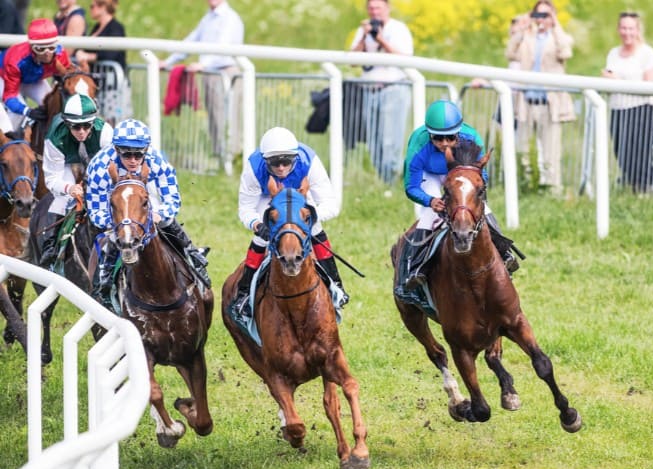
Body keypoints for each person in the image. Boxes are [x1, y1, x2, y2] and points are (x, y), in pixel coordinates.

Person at [396, 100, 520, 294]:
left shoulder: (471, 138)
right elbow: (411, 187)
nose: (445, 143)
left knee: (485, 210)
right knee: (430, 216)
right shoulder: (418, 145)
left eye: (450, 138)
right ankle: (415, 269)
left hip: (461, 174)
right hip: (431, 176)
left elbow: (481, 176)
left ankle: (504, 254)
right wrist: (430, 201)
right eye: (438, 138)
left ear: (459, 133)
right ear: (429, 134)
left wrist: (472, 196)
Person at [85, 118, 211, 309]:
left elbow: (172, 200)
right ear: (117, 150)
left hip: (147, 194)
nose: (133, 160)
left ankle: (192, 255)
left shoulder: (156, 161)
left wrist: (160, 214)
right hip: (116, 203)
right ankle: (105, 277)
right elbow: (96, 211)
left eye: (138, 154)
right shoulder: (100, 169)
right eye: (127, 155)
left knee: (167, 222)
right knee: (114, 235)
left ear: (146, 151)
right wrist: (120, 223)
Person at [228, 126, 347, 322]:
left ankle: (337, 286)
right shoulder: (253, 167)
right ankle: (244, 294)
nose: (281, 168)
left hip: (299, 200)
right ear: (266, 160)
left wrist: (309, 217)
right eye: (275, 163)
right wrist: (258, 225)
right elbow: (246, 209)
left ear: (296, 158)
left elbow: (330, 204)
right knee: (261, 238)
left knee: (316, 228)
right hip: (269, 200)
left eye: (286, 162)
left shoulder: (310, 162)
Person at [506, 0, 575, 195]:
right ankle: (526, 187)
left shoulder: (559, 37)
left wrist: (556, 25)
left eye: (546, 15)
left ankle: (553, 189)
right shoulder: (528, 38)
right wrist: (523, 28)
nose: (542, 20)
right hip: (527, 101)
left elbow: (566, 52)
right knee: (525, 150)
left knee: (551, 150)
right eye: (539, 15)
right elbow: (510, 53)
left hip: (549, 103)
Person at [160, 0, 244, 158]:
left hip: (225, 73)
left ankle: (232, 159)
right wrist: (169, 61)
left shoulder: (230, 18)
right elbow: (191, 42)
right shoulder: (208, 19)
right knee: (215, 119)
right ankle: (220, 158)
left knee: (229, 120)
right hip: (211, 73)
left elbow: (223, 48)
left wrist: (203, 64)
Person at [39, 93, 112, 267]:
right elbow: (52, 178)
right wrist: (69, 188)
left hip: (94, 158)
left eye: (86, 126)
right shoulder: (55, 138)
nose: (81, 132)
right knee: (65, 198)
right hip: (65, 161)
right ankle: (50, 246)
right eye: (76, 127)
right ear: (66, 124)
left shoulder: (106, 133)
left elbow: (111, 170)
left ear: (93, 122)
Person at [349, 0, 413, 184]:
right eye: (371, 8)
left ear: (387, 8)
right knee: (374, 141)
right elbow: (353, 60)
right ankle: (384, 180)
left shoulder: (399, 29)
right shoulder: (363, 31)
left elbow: (406, 58)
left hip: (393, 89)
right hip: (369, 90)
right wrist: (364, 36)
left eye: (378, 8)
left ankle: (392, 182)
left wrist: (381, 40)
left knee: (390, 140)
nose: (374, 12)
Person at [602, 12, 653, 193]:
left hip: (641, 110)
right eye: (624, 28)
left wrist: (619, 81)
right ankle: (636, 190)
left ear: (637, 30)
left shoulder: (647, 53)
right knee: (621, 153)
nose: (627, 32)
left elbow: (649, 84)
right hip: (619, 109)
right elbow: (607, 77)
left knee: (640, 154)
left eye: (631, 28)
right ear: (619, 29)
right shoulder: (613, 53)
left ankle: (652, 188)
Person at [0, 18, 73, 134]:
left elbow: (69, 76)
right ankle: (9, 143)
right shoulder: (16, 61)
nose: (47, 53)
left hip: (32, 78)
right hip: (4, 76)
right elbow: (9, 97)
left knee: (51, 105)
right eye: (41, 49)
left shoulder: (60, 54)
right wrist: (27, 111)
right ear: (32, 47)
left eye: (51, 47)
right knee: (18, 114)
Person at [74, 0, 126, 70]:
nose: (90, 10)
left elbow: (111, 53)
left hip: (110, 77)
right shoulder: (97, 27)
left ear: (103, 7)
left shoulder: (116, 28)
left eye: (92, 6)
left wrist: (88, 56)